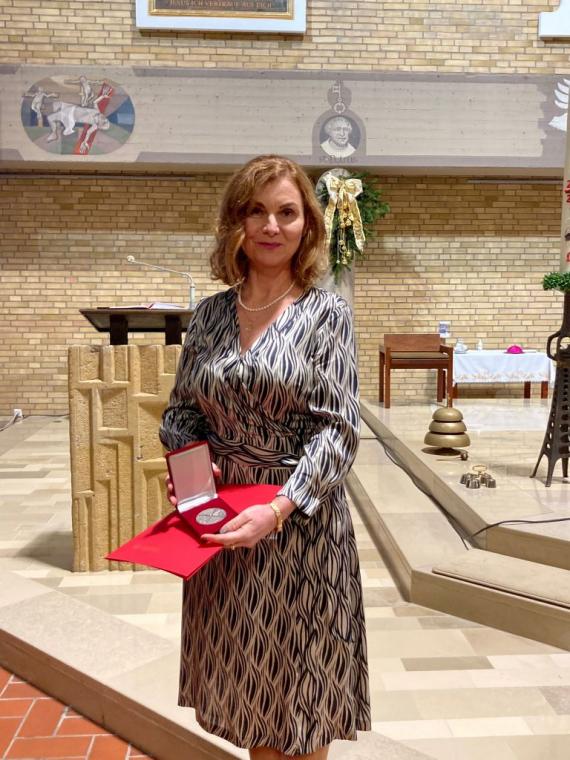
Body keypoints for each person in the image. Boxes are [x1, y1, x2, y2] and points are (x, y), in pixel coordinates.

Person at [159, 154, 370, 760]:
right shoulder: (210, 316)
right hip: (225, 527)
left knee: (301, 710)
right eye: (257, 211)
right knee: (250, 703)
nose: (272, 226)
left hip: (300, 531)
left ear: (308, 226)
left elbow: (339, 430)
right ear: (237, 222)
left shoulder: (326, 314)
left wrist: (278, 509)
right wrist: (189, 473)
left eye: (287, 212)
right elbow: (182, 413)